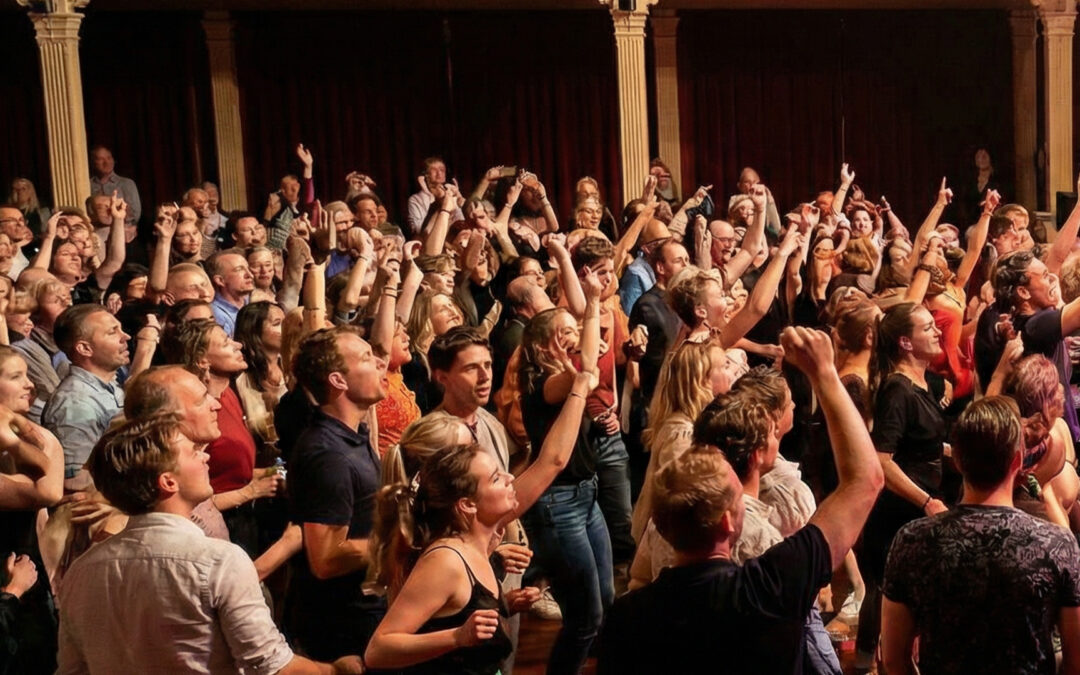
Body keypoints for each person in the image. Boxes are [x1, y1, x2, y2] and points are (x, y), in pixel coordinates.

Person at [597, 326, 883, 673]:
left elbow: (640, 578)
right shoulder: (766, 586)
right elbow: (864, 481)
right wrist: (824, 375)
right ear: (729, 520)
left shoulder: (624, 619)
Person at [57, 415, 363, 674]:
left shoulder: (81, 571)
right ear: (168, 482)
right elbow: (270, 665)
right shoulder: (218, 561)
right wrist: (336, 669)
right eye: (193, 452)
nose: (205, 457)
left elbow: (72, 669)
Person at [364, 362, 595, 675]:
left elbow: (450, 610)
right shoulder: (442, 553)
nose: (508, 478)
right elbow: (381, 649)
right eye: (466, 450)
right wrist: (458, 636)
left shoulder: (469, 534)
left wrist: (501, 601)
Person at [881, 396, 1080, 674]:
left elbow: (893, 659)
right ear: (1017, 461)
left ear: (957, 460)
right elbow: (1076, 661)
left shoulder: (912, 541)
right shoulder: (1057, 545)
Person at [516, 266, 604, 674]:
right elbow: (587, 372)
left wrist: (593, 305)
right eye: (564, 332)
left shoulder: (567, 375)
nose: (574, 337)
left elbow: (587, 372)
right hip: (559, 505)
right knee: (584, 617)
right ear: (541, 346)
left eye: (574, 329)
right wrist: (594, 303)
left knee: (605, 598)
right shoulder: (542, 385)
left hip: (587, 495)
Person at [286, 326, 388, 661]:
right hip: (342, 628)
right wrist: (399, 540)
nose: (380, 364)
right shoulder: (328, 454)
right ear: (338, 380)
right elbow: (326, 558)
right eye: (366, 358)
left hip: (365, 610)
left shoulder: (352, 437)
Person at [857, 302, 948, 665]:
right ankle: (867, 666)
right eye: (927, 328)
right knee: (890, 603)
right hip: (899, 516)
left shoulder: (921, 383)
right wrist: (926, 501)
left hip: (918, 512)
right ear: (906, 343)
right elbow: (882, 460)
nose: (937, 331)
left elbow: (919, 441)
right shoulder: (898, 390)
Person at [41, 304, 129, 485]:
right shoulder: (75, 405)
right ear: (84, 348)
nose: (126, 336)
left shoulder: (109, 385)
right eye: (112, 332)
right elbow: (75, 482)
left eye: (121, 329)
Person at [88, 145, 141, 226]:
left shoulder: (126, 183)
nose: (106, 162)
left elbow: (135, 214)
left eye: (109, 158)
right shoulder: (88, 185)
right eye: (100, 159)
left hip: (123, 229)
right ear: (93, 163)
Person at [208, 248, 254, 337]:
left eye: (248, 268)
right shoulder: (217, 316)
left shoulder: (253, 300)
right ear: (220, 280)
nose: (250, 275)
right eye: (239, 269)